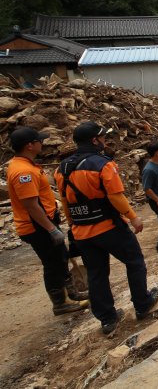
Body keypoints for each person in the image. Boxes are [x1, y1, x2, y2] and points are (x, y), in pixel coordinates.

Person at [55, 121, 158, 335]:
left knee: (96, 274)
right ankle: (142, 303)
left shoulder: (62, 168)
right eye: (102, 137)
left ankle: (107, 319)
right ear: (94, 140)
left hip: (82, 232)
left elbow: (65, 201)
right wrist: (133, 218)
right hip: (108, 227)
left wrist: (73, 223)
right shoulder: (103, 164)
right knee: (135, 262)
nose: (105, 140)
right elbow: (115, 196)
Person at [7, 127, 88, 315]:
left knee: (60, 258)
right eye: (39, 141)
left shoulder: (27, 165)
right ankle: (60, 303)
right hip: (37, 227)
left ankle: (72, 293)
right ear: (29, 145)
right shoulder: (23, 172)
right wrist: (51, 229)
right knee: (52, 264)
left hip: (43, 223)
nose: (42, 144)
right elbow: (31, 205)